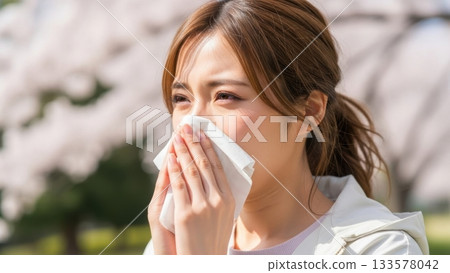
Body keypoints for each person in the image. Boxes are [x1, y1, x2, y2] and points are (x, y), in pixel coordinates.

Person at [144, 0, 429, 255]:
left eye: (226, 96)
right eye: (181, 99)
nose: (192, 126)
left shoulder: (382, 251)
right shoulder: (170, 244)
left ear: (309, 112)